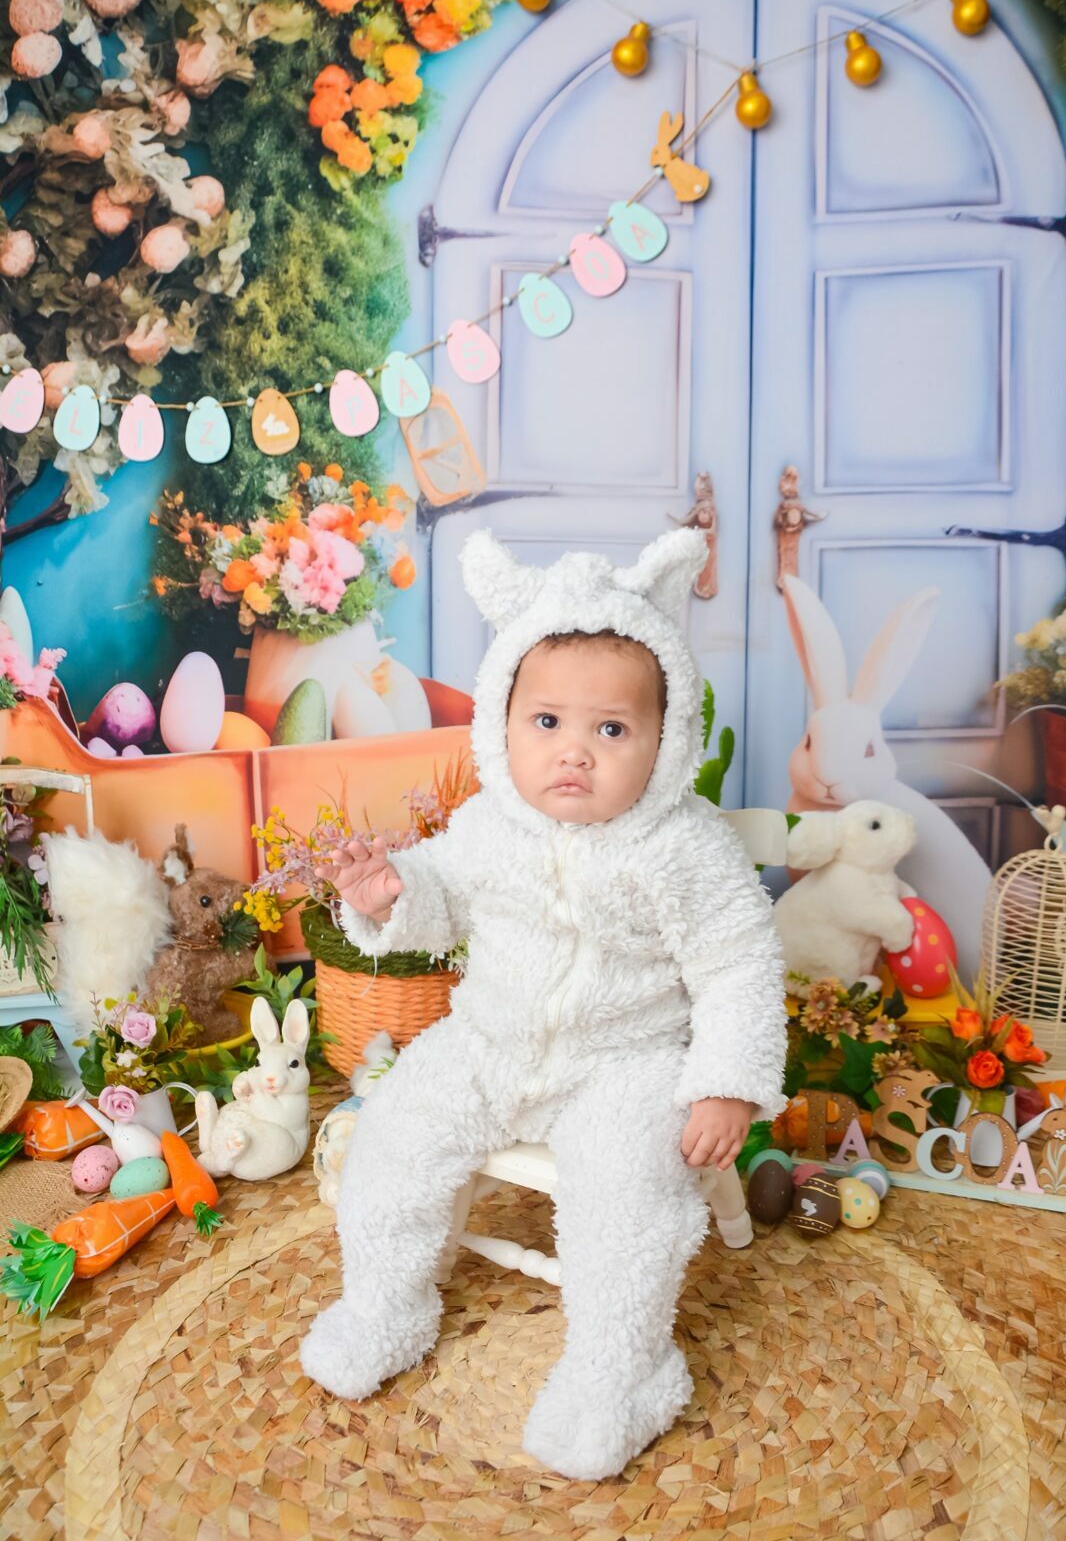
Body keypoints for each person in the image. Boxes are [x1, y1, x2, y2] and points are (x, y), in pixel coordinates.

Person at [299, 526, 788, 1480]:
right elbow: (440, 889)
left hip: (626, 1064)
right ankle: (386, 1306)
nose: (575, 753)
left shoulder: (683, 848)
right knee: (392, 1142)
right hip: (489, 1042)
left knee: (628, 1198)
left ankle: (621, 1373)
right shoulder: (491, 823)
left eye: (611, 731)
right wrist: (392, 895)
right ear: (501, 723)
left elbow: (740, 964)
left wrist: (726, 1082)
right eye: (548, 722)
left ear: (666, 739)